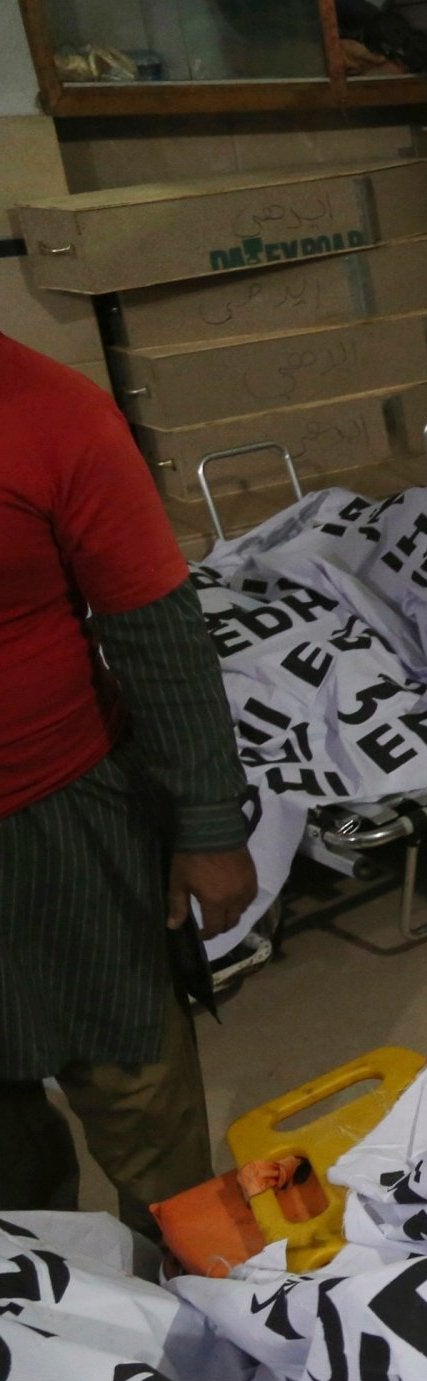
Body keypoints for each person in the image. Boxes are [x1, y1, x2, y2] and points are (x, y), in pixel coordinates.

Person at [0, 335, 257, 1233]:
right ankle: (46, 1291)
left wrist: (209, 822)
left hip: (64, 815)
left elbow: (158, 633)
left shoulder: (50, 414)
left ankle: (186, 1284)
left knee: (138, 1095)